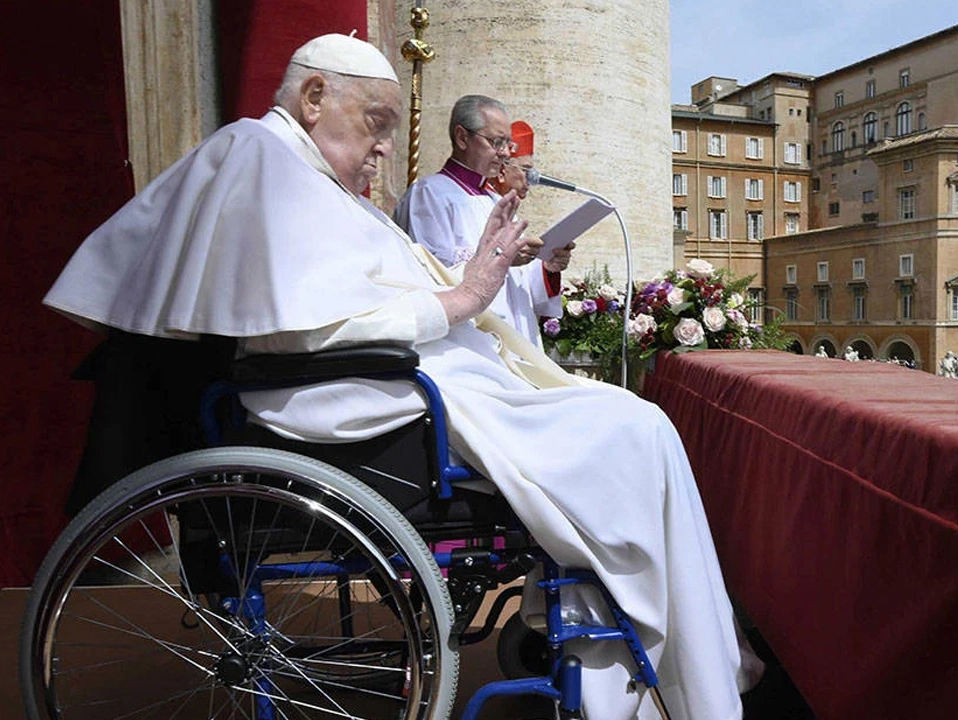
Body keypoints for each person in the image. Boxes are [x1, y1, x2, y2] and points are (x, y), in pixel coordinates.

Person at [43, 33, 752, 720]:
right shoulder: (259, 157)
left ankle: (655, 649)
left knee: (634, 426)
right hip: (362, 403)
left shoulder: (304, 171)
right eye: (375, 123)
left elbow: (346, 296)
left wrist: (474, 276)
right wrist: (463, 296)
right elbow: (296, 326)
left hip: (395, 385)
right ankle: (678, 667)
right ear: (314, 96)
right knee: (638, 431)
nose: (385, 146)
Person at [393, 97, 569, 347]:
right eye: (497, 142)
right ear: (462, 138)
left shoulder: (496, 200)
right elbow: (432, 271)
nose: (505, 153)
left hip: (514, 337)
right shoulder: (429, 194)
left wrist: (548, 267)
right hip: (467, 342)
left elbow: (520, 283)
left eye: (507, 144)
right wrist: (501, 258)